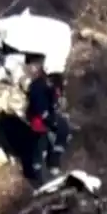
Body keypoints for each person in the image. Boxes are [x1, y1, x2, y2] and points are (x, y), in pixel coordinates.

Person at [24, 57, 71, 185]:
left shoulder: (54, 88)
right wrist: (50, 119)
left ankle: (53, 160)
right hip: (39, 122)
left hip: (49, 120)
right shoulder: (38, 87)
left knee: (63, 130)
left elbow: (56, 104)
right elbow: (41, 108)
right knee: (42, 143)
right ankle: (36, 172)